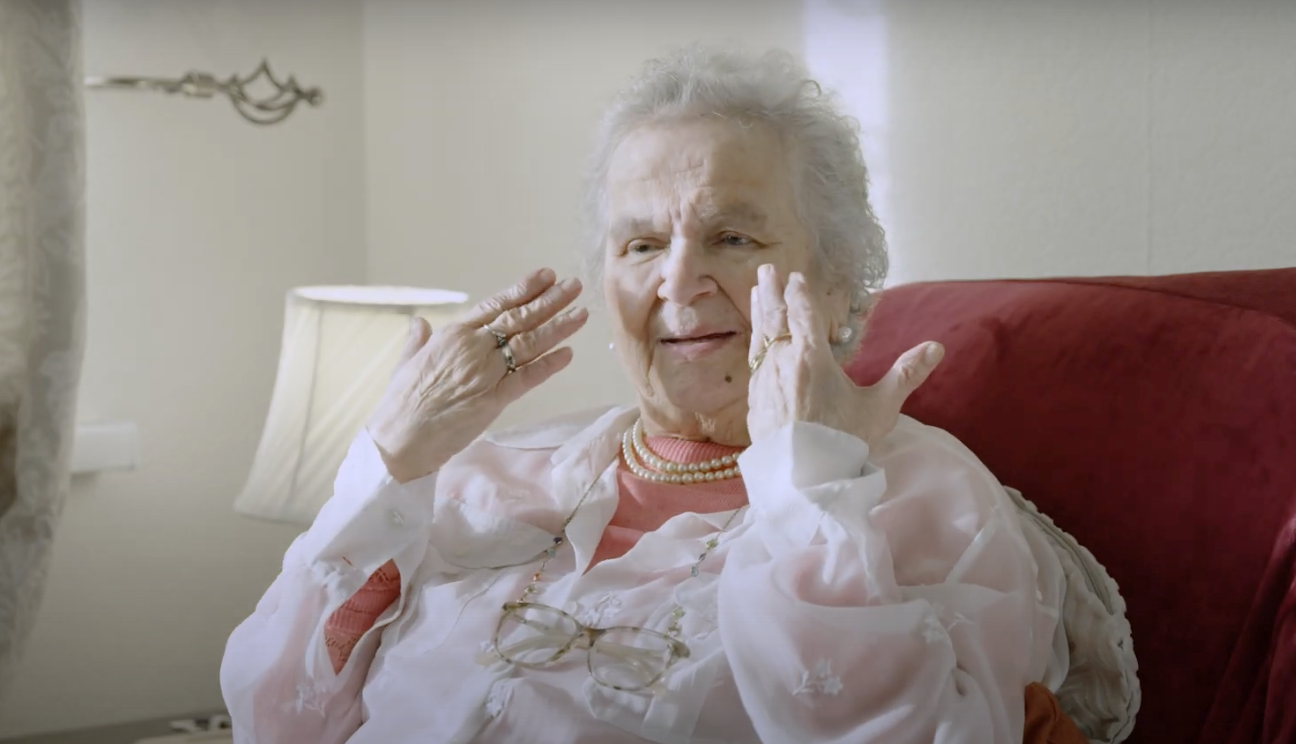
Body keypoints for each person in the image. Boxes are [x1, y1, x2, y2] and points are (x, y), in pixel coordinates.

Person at [221, 46, 1095, 743]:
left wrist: (806, 486)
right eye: (639, 245)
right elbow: (281, 722)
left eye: (731, 235)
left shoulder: (926, 498)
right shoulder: (487, 472)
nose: (678, 281)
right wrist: (390, 463)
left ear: (837, 284)